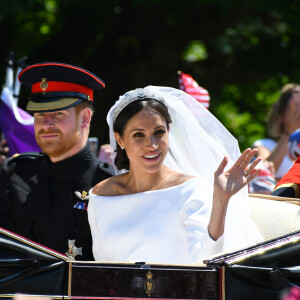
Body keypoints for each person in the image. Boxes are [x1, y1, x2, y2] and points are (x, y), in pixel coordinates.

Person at [88, 86, 263, 264]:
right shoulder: (100, 195)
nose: (152, 145)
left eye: (159, 132)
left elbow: (204, 262)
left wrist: (221, 199)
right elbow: (101, 263)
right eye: (139, 135)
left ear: (168, 131)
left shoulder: (190, 189)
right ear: (120, 139)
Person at [0, 62, 114, 261]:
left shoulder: (110, 186)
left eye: (58, 113)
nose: (46, 123)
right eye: (40, 113)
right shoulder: (12, 175)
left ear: (85, 118)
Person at [252, 83, 300, 181]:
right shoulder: (265, 145)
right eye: (296, 106)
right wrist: (289, 133)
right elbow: (263, 173)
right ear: (281, 115)